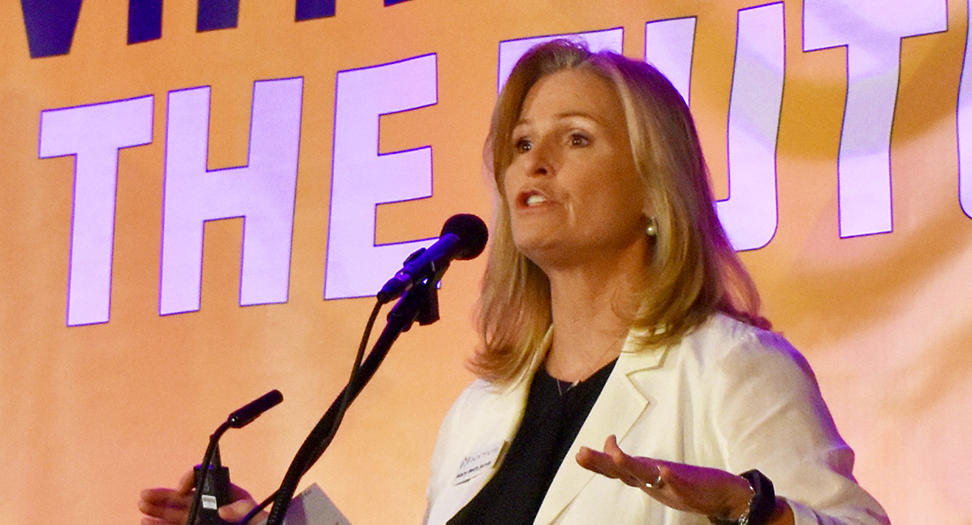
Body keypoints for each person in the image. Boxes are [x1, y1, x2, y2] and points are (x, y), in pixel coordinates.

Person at [139, 39, 887, 525]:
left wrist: (754, 509)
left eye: (577, 139)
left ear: (654, 192)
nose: (533, 161)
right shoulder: (479, 411)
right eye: (522, 142)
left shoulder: (729, 367)